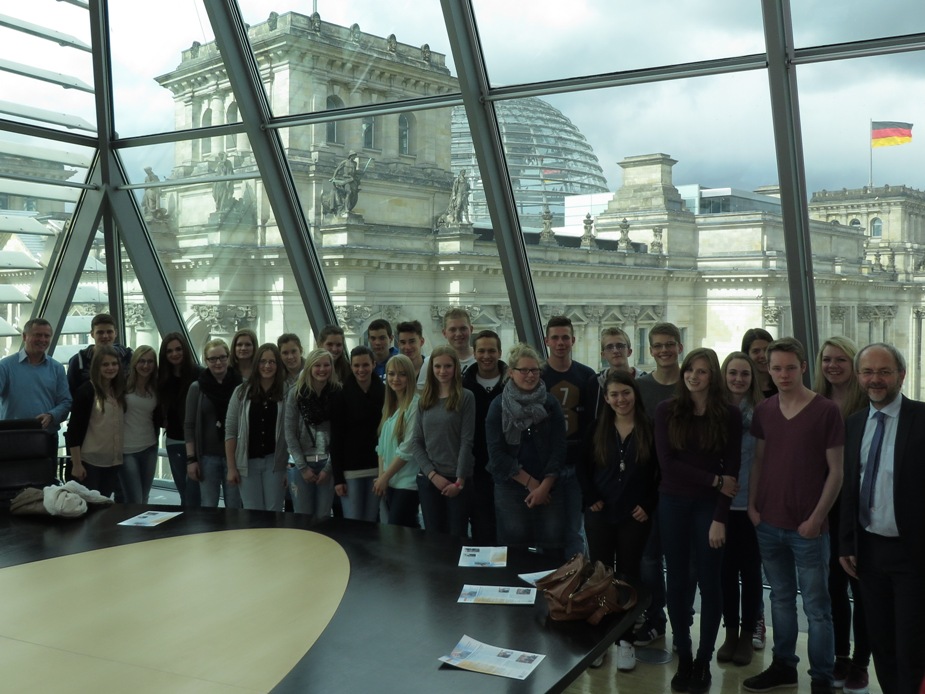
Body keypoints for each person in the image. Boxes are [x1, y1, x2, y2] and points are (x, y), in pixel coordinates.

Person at [745, 337, 843, 694]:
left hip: (808, 528)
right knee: (781, 599)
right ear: (768, 371)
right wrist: (753, 507)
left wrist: (817, 518)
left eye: (789, 367)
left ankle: (822, 678)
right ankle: (784, 666)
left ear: (803, 367)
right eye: (776, 368)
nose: (783, 374)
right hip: (768, 522)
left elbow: (836, 472)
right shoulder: (765, 410)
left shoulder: (826, 411)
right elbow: (759, 460)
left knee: (817, 608)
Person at [655, 347, 741, 693]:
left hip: (709, 508)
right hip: (672, 503)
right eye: (690, 369)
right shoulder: (667, 410)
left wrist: (720, 516)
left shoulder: (729, 414)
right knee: (677, 581)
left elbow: (732, 471)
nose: (694, 376)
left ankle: (704, 659)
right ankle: (685, 655)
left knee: (710, 581)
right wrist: (713, 480)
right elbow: (668, 464)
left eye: (702, 371)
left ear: (712, 376)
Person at [840, 343, 925, 694]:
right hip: (869, 554)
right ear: (859, 376)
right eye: (868, 372)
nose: (875, 379)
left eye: (884, 372)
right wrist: (846, 543)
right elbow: (849, 488)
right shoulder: (854, 424)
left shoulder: (922, 418)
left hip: (913, 554)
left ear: (901, 375)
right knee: (881, 642)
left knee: (911, 646)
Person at [579, 370, 659, 672]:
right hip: (600, 512)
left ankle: (625, 639)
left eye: (626, 392)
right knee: (600, 574)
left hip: (634, 515)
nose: (620, 399)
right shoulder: (597, 428)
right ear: (607, 398)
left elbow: (659, 472)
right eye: (614, 394)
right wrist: (590, 497)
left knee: (628, 576)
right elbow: (582, 469)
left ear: (635, 394)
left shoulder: (649, 428)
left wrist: (648, 504)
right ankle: (601, 639)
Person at [813, 337, 871, 692]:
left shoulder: (868, 404)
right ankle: (840, 655)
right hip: (827, 505)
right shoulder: (815, 402)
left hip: (861, 506)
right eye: (827, 359)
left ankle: (862, 662)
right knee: (833, 586)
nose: (832, 366)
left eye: (840, 360)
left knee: (861, 588)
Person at [486, 343, 566, 556]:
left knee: (553, 549)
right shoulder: (498, 406)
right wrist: (532, 484)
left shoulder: (550, 403)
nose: (530, 375)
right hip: (510, 487)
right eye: (524, 370)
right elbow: (497, 455)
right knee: (514, 551)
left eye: (534, 370)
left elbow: (559, 448)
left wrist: (544, 487)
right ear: (511, 373)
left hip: (549, 486)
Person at [633, 321, 684, 647]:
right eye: (658, 345)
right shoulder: (640, 388)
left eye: (669, 344)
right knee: (649, 559)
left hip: (684, 487)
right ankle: (656, 618)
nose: (664, 350)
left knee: (681, 562)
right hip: (648, 486)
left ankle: (682, 625)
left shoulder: (692, 383)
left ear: (680, 347)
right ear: (650, 350)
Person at [717, 352, 764, 667]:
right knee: (725, 573)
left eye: (744, 374)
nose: (738, 379)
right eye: (732, 373)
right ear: (724, 376)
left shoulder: (763, 413)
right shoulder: (713, 411)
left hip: (751, 504)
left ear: (752, 378)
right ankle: (730, 632)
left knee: (750, 572)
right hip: (719, 504)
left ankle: (748, 633)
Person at [542, 315, 595, 559]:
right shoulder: (537, 376)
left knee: (575, 530)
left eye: (565, 337)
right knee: (549, 531)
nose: (560, 342)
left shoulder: (586, 376)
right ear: (547, 341)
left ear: (573, 340)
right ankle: (549, 576)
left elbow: (592, 422)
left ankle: (576, 577)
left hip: (577, 465)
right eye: (555, 338)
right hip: (547, 467)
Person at [408, 345, 474, 539]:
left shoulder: (466, 397)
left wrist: (459, 481)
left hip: (457, 479)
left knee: (457, 536)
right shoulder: (424, 400)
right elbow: (416, 442)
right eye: (437, 366)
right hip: (430, 480)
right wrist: (432, 475)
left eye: (447, 366)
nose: (442, 371)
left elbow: (467, 441)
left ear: (455, 368)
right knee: (434, 538)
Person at [225, 343, 287, 511]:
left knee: (274, 511)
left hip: (275, 463)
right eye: (263, 361)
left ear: (278, 365)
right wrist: (231, 468)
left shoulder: (287, 392)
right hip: (247, 463)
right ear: (256, 363)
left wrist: (288, 468)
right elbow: (230, 432)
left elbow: (292, 431)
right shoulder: (241, 392)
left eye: (272, 362)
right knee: (252, 513)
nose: (267, 366)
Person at [185, 339, 243, 509]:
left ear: (228, 357)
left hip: (235, 457)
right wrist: (191, 460)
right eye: (213, 359)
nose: (218, 362)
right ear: (206, 361)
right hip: (207, 458)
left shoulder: (241, 385)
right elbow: (189, 425)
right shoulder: (197, 388)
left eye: (222, 357)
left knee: (234, 506)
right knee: (208, 506)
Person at [285, 348, 340, 522]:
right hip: (300, 465)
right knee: (302, 518)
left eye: (326, 365)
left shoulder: (337, 393)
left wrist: (328, 469)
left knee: (323, 517)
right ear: (309, 367)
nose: (322, 369)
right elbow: (289, 433)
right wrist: (303, 467)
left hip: (327, 464)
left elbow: (340, 435)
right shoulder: (295, 393)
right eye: (317, 365)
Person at [462, 329, 506, 545]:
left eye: (491, 351)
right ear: (474, 353)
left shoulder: (512, 384)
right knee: (482, 525)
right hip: (476, 468)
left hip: (508, 467)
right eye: (481, 351)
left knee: (509, 525)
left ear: (500, 352)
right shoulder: (463, 386)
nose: (486, 356)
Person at [332, 346, 385, 522]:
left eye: (365, 365)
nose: (361, 370)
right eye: (356, 365)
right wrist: (338, 478)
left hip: (377, 467)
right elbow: (336, 438)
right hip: (350, 469)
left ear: (374, 364)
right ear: (351, 366)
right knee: (352, 522)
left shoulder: (385, 393)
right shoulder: (341, 395)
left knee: (371, 522)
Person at [66, 346, 127, 498]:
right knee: (90, 506)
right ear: (97, 367)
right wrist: (77, 464)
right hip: (90, 462)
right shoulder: (86, 391)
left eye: (114, 364)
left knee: (104, 503)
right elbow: (74, 431)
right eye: (105, 364)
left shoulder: (119, 390)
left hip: (113, 461)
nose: (110, 368)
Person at [374, 354, 420, 528]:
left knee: (398, 530)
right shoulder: (389, 406)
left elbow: (407, 448)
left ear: (410, 376)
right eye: (392, 374)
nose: (396, 379)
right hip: (390, 481)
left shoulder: (415, 405)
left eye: (402, 374)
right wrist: (382, 477)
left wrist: (385, 477)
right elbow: (381, 448)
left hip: (407, 483)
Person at [0, 318, 71, 432]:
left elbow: (66, 402)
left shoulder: (57, 368)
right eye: (38, 335)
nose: (42, 339)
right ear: (24, 337)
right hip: (12, 435)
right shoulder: (5, 366)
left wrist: (51, 415)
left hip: (46, 436)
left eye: (46, 336)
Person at [157, 332, 202, 507]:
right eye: (169, 351)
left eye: (178, 349)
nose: (174, 354)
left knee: (194, 491)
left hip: (197, 442)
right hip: (174, 441)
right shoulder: (162, 378)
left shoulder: (199, 374)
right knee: (184, 491)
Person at [582, 326, 645, 426]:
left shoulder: (644, 381)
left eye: (620, 346)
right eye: (609, 347)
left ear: (629, 351)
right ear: (603, 354)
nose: (615, 351)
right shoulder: (595, 383)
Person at [120, 346, 159, 504]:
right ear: (135, 362)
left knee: (144, 498)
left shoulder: (155, 386)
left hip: (149, 447)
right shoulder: (122, 385)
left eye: (150, 361)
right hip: (126, 450)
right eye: (142, 361)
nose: (146, 365)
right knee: (134, 501)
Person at [67, 313, 133, 398]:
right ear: (92, 334)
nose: (105, 336)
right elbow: (71, 392)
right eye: (100, 332)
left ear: (115, 333)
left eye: (109, 332)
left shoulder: (128, 357)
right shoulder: (79, 361)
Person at [415, 308, 477, 390]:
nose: (458, 334)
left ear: (471, 330)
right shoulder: (430, 362)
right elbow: (421, 394)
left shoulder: (482, 360)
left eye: (463, 328)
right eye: (453, 329)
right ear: (444, 333)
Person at [742, 328, 777, 399]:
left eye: (767, 350)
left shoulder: (783, 383)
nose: (763, 355)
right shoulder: (741, 386)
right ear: (747, 355)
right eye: (756, 351)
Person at [330, 151, 359, 216]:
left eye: (355, 156)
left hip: (353, 180)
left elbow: (355, 172)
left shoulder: (355, 163)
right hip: (346, 180)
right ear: (351, 156)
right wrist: (333, 177)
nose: (355, 157)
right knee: (349, 192)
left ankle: (349, 207)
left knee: (354, 194)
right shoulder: (344, 162)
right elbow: (337, 169)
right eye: (354, 156)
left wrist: (360, 173)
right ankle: (346, 209)